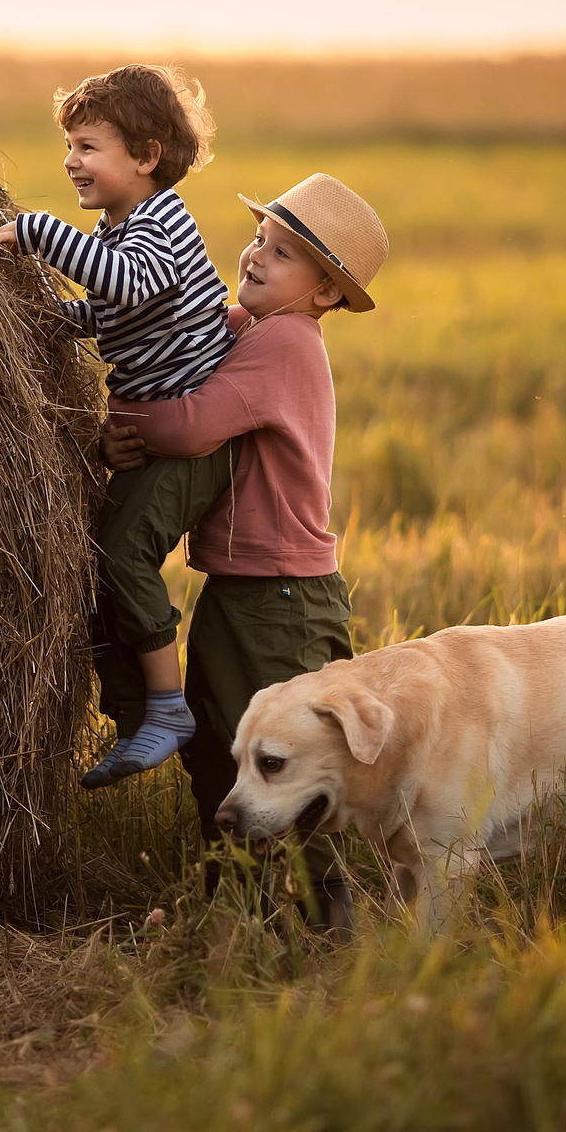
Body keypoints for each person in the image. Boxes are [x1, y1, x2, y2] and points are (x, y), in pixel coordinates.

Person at [98, 172, 387, 928]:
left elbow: (193, 424)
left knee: (290, 760)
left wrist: (126, 424)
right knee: (225, 751)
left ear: (324, 292)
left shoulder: (288, 343)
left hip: (282, 599)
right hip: (244, 588)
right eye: (260, 237)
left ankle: (330, 918)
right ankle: (238, 909)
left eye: (283, 252)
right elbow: (184, 342)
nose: (256, 255)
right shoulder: (255, 328)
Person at [0, 64, 234, 789]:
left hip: (191, 445)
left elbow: (125, 283)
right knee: (95, 559)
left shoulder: (164, 222)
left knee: (123, 555)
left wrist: (34, 233)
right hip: (157, 435)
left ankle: (168, 706)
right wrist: (56, 322)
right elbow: (118, 310)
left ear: (146, 156)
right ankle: (138, 716)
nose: (71, 162)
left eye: (88, 147)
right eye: (70, 148)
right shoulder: (119, 227)